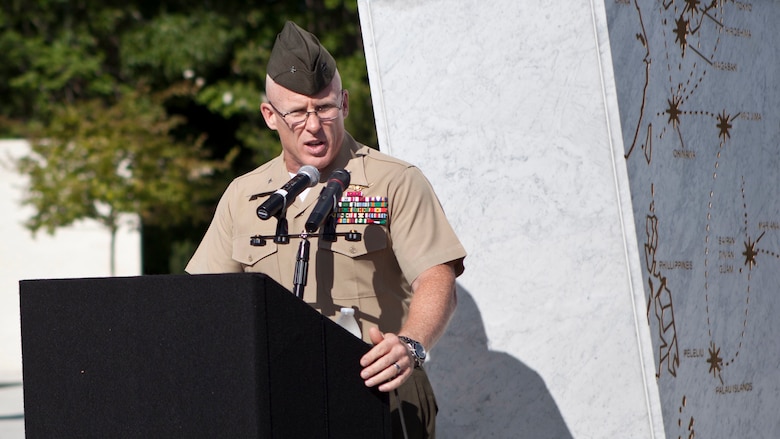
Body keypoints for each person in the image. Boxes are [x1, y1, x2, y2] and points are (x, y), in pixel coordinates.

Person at [186, 21, 466, 438]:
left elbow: (436, 276)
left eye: (326, 108)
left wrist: (411, 345)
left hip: (379, 393)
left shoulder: (394, 181)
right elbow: (204, 301)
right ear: (269, 115)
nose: (314, 126)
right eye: (297, 113)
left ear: (346, 104)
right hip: (279, 397)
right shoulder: (244, 196)